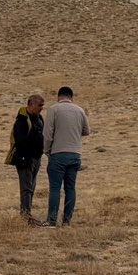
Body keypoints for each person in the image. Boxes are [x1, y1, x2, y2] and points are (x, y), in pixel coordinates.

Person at [42, 85, 89, 227]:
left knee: (55, 188)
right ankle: (67, 221)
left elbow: (47, 134)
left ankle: (51, 221)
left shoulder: (54, 109)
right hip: (75, 154)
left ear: (58, 96)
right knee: (70, 188)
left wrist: (46, 150)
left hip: (58, 153)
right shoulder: (80, 110)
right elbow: (86, 131)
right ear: (71, 97)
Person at [5, 94, 46, 222]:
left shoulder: (39, 118)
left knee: (31, 188)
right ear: (31, 104)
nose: (41, 108)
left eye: (42, 106)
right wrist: (25, 158)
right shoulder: (22, 121)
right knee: (26, 189)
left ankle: (27, 214)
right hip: (25, 160)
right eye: (39, 105)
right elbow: (20, 142)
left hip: (36, 159)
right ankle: (25, 216)